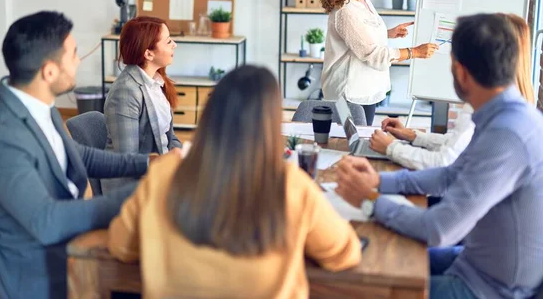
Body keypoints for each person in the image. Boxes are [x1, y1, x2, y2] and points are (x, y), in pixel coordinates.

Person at [335, 13, 543, 299]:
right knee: (374, 262)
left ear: (461, 72)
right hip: (474, 264)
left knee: (364, 285)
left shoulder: (505, 135)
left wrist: (369, 201)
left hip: (490, 289)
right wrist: (379, 182)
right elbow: (450, 175)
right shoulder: (506, 114)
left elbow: (438, 229)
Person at [107, 65, 362, 298]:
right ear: (272, 125)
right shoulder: (291, 185)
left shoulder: (162, 174)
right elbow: (346, 253)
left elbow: (121, 245)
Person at [0, 11, 153, 299]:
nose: (79, 61)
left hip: (68, 243)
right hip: (43, 267)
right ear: (49, 72)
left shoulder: (37, 104)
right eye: (74, 54)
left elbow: (75, 156)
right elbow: (47, 221)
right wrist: (136, 197)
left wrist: (147, 163)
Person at [369, 13, 536, 170]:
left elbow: (445, 160)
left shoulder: (484, 98)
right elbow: (457, 145)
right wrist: (412, 135)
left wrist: (391, 148)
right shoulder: (515, 98)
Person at [319, 0, 438, 125]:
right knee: (351, 144)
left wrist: (388, 33)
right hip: (349, 94)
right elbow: (373, 55)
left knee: (361, 141)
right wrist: (414, 52)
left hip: (365, 90)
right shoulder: (345, 10)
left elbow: (360, 36)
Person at [103, 16, 182, 193]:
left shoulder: (156, 83)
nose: (174, 44)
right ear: (148, 53)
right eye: (168, 41)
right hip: (132, 187)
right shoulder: (125, 92)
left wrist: (185, 160)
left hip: (157, 173)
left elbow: (170, 138)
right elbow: (129, 160)